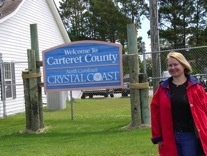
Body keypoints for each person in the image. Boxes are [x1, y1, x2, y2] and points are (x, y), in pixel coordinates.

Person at [150, 52, 207, 156]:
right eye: (170, 65)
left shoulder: (196, 87)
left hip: (190, 136)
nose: (172, 67)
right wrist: (157, 135)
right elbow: (155, 113)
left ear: (183, 65)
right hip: (169, 136)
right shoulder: (162, 89)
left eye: (176, 64)